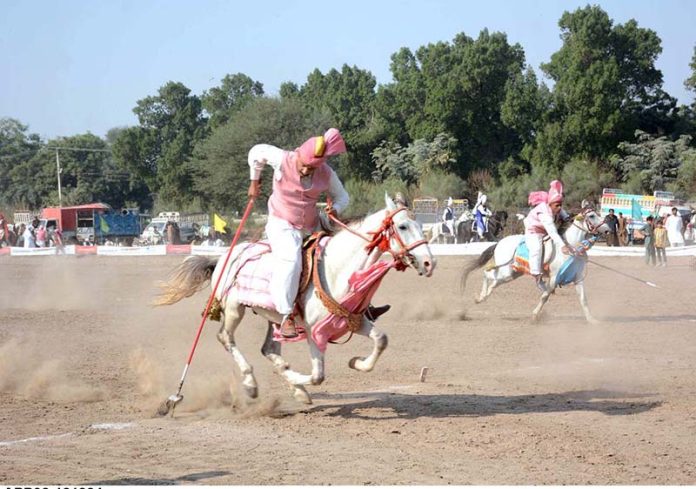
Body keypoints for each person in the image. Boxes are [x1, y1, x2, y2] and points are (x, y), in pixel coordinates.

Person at [247, 128, 351, 338]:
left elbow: (343, 197)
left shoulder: (326, 173)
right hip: (282, 223)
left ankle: (358, 307)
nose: (306, 171)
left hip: (312, 226)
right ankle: (286, 316)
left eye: (312, 168)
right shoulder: (282, 158)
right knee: (291, 259)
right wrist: (254, 181)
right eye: (304, 166)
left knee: (344, 254)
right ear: (299, 156)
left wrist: (336, 210)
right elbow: (257, 152)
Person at [523, 180, 573, 292]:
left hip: (544, 231)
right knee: (536, 249)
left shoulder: (554, 206)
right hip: (534, 232)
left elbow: (561, 211)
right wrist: (562, 246)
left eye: (561, 205)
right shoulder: (545, 214)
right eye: (557, 205)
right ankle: (536, 275)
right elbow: (552, 232)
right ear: (550, 204)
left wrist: (567, 217)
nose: (559, 207)